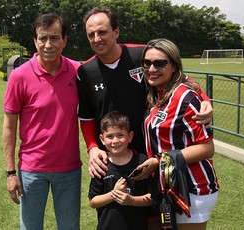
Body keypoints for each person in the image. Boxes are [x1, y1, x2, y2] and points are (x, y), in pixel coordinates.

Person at [77, 6, 213, 179]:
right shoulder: (85, 72)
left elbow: (179, 77)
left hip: (150, 152)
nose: (97, 39)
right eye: (91, 35)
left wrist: (205, 99)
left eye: (102, 32)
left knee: (152, 202)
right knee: (112, 204)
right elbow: (87, 116)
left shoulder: (142, 55)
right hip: (112, 155)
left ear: (116, 32)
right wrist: (93, 147)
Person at [2, 13, 82, 230]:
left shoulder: (78, 72)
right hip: (31, 169)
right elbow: (9, 126)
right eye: (42, 38)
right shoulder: (19, 76)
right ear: (35, 40)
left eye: (55, 38)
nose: (48, 44)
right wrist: (10, 173)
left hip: (69, 169)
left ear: (64, 40)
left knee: (70, 227)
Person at [135, 38, 219, 230]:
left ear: (174, 66)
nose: (151, 68)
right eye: (146, 63)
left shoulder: (186, 98)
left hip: (192, 188)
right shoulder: (158, 92)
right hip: (170, 187)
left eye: (160, 63)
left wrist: (158, 161)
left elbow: (207, 148)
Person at [88, 111, 152, 230]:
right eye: (110, 136)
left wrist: (131, 201)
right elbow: (93, 201)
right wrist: (113, 194)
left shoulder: (142, 161)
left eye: (120, 135)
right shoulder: (101, 164)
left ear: (130, 136)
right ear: (102, 139)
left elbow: (152, 197)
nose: (115, 141)